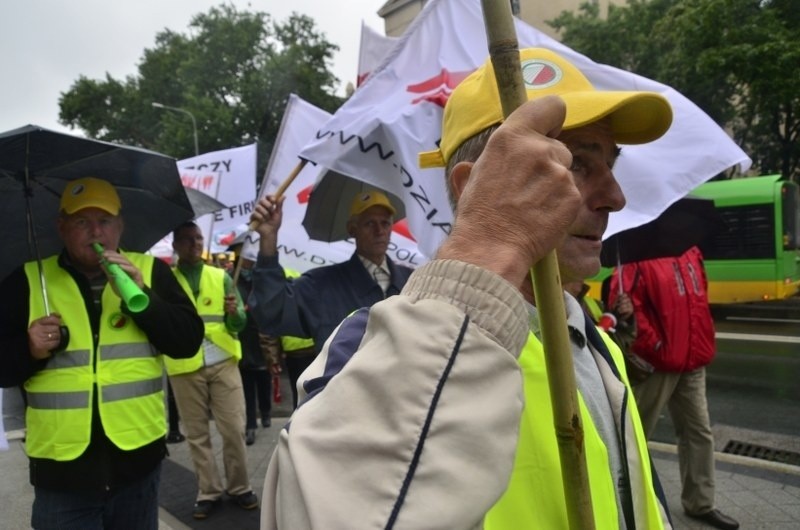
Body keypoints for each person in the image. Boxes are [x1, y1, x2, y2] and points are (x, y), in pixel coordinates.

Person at [255, 47, 676, 529]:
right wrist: (491, 244)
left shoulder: (598, 344)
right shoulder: (364, 345)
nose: (615, 197)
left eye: (611, 164)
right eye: (575, 163)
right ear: (472, 186)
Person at [0, 177, 204, 529]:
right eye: (82, 222)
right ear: (62, 227)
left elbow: (187, 342)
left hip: (137, 463)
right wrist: (30, 348)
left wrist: (145, 300)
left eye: (105, 221)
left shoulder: (152, 271)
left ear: (120, 226)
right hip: (61, 470)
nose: (96, 232)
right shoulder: (29, 279)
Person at [608, 246, 739, 530]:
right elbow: (624, 311)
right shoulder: (637, 256)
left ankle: (700, 503)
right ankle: (621, 504)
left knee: (699, 432)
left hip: (692, 359)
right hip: (658, 364)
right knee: (635, 435)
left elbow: (700, 297)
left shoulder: (691, 252)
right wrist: (655, 345)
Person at [249, 190, 414, 370]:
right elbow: (271, 312)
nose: (379, 231)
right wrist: (268, 238)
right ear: (352, 229)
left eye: (385, 223)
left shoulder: (413, 281)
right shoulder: (320, 285)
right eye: (369, 223)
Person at [165, 221, 259, 520]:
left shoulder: (220, 277)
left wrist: (235, 314)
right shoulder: (165, 281)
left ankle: (240, 486)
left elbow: (238, 324)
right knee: (196, 434)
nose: (195, 243)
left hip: (223, 362)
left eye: (198, 238)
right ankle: (208, 491)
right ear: (175, 245)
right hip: (184, 365)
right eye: (187, 239)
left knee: (233, 428)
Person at [232, 253, 274, 445]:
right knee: (247, 387)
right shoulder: (231, 280)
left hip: (263, 339)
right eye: (245, 258)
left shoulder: (261, 278)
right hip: (243, 340)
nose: (250, 261)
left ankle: (266, 411)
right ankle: (250, 425)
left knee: (264, 381)